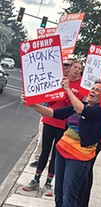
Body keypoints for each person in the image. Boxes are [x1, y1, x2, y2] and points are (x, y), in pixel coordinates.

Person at [24, 78, 101, 207]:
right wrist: (32, 104)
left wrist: (68, 89)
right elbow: (54, 113)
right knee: (59, 194)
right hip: (63, 153)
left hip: (79, 158)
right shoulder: (82, 104)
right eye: (92, 88)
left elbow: (81, 109)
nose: (92, 91)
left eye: (98, 90)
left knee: (69, 198)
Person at [23, 60, 84, 196]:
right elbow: (50, 99)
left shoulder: (80, 86)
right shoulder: (59, 79)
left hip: (64, 123)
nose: (77, 70)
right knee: (45, 150)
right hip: (50, 120)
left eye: (79, 68)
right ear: (69, 69)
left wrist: (66, 91)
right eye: (75, 67)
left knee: (56, 153)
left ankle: (49, 182)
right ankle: (36, 179)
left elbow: (74, 106)